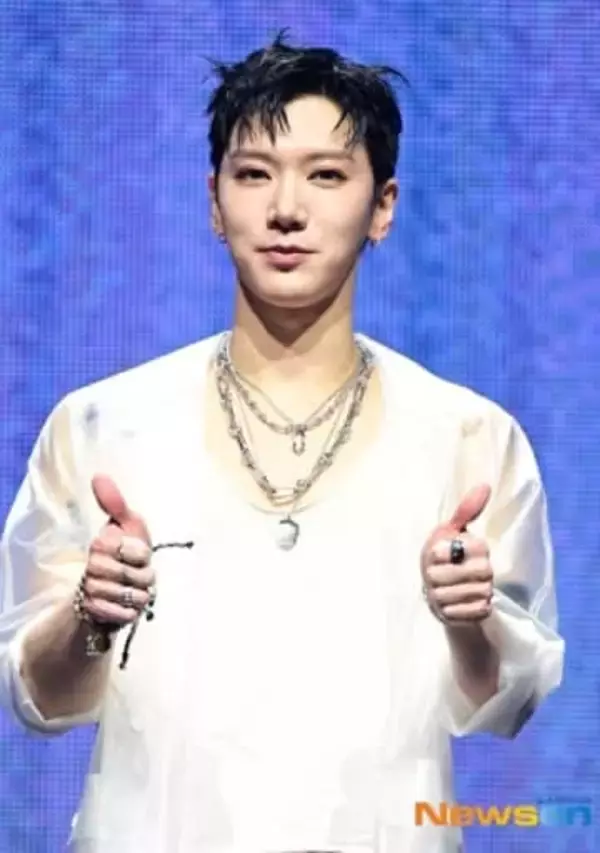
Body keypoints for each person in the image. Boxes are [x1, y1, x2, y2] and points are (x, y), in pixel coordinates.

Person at [0, 34, 564, 853]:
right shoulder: (103, 426)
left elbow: (505, 704)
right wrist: (93, 611)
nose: (286, 209)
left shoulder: (467, 437)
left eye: (326, 175)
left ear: (383, 206)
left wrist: (468, 619)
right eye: (254, 174)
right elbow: (39, 698)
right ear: (214, 200)